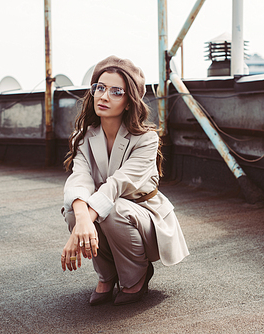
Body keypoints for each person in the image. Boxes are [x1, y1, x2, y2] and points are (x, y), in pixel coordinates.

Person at [60, 55, 189, 306]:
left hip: (143, 216)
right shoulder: (84, 136)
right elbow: (80, 178)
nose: (104, 96)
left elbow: (116, 185)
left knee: (112, 209)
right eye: (100, 87)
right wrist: (80, 221)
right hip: (108, 210)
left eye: (116, 91)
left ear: (130, 101)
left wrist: (84, 221)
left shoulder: (146, 139)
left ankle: (136, 276)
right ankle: (107, 276)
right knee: (74, 211)